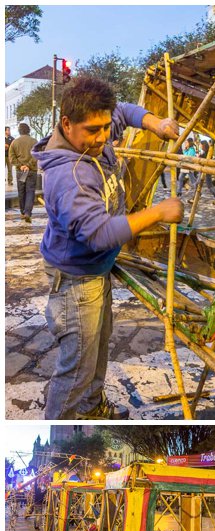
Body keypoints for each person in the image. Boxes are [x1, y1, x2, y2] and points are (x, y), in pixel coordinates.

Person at [32, 77, 184, 420]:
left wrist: (156, 123)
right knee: (76, 371)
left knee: (96, 353)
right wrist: (159, 211)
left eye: (105, 128)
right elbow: (100, 234)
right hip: (75, 281)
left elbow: (126, 111)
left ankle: (92, 407)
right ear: (66, 124)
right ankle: (63, 424)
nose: (104, 137)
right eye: (93, 130)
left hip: (94, 271)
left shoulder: (94, 128)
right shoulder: (69, 176)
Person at [9, 123, 38, 223]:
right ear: (29, 130)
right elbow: (36, 156)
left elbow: (11, 158)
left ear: (19, 131)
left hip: (20, 171)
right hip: (32, 170)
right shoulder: (34, 141)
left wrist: (20, 165)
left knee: (21, 191)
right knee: (30, 191)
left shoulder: (14, 142)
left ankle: (22, 212)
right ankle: (28, 213)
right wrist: (28, 165)